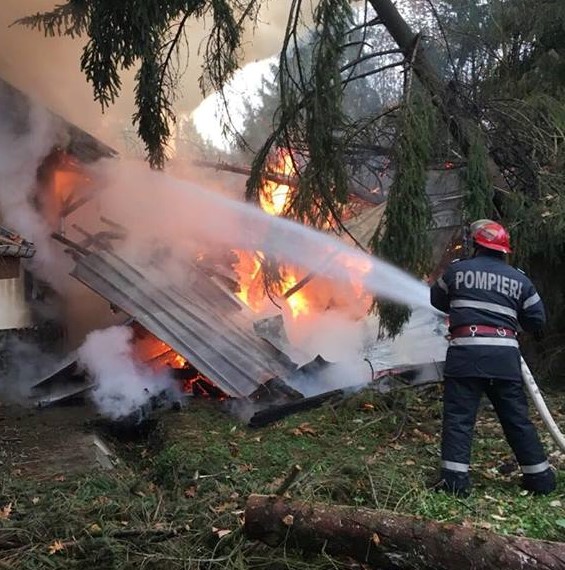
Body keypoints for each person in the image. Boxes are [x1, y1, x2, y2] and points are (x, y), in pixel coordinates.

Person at [430, 219, 556, 496]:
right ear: (504, 250)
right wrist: (508, 325)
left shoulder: (457, 271)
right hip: (504, 358)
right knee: (516, 419)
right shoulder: (520, 279)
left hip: (466, 356)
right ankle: (541, 480)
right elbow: (537, 319)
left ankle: (454, 482)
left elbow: (436, 299)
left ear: (476, 244)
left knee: (459, 419)